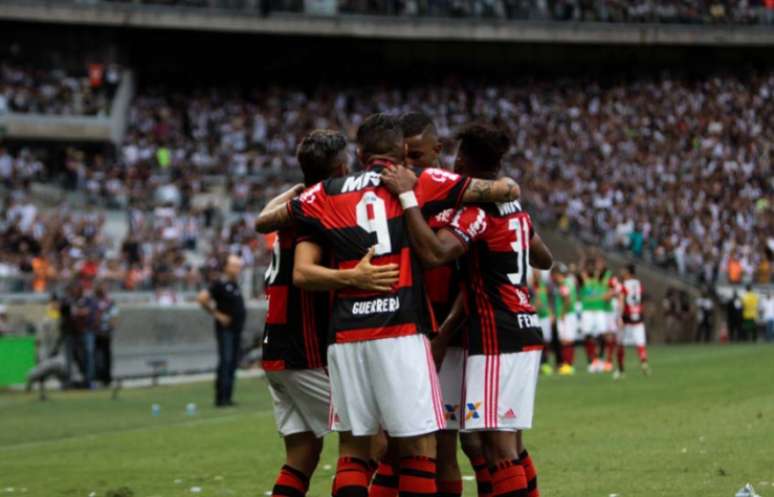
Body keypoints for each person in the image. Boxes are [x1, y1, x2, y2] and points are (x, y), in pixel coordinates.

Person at [256, 113, 521, 497]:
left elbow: (265, 222)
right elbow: (505, 191)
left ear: (359, 152)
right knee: (420, 448)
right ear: (401, 152)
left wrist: (298, 191)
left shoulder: (328, 191)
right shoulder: (421, 181)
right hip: (399, 329)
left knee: (353, 450)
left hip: (345, 337)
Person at [381, 122, 552, 497]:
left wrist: (410, 203)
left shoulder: (473, 212)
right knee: (492, 443)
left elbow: (437, 253)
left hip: (491, 331)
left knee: (493, 447)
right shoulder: (514, 208)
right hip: (518, 326)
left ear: (458, 157)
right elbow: (545, 257)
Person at [259, 130, 399, 497]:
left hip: (275, 349)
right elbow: (303, 274)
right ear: (340, 167)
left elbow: (262, 219)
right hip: (303, 349)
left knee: (302, 454)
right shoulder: (322, 209)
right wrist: (353, 276)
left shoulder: (294, 206)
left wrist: (295, 188)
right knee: (374, 443)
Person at [197, 254, 247, 407]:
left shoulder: (235, 284)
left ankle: (228, 396)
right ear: (226, 267)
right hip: (226, 330)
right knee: (225, 361)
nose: (237, 269)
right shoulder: (219, 284)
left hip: (236, 329)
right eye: (234, 265)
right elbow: (202, 298)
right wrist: (218, 315)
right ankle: (221, 398)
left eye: (239, 266)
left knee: (232, 362)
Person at [614, 264, 650, 378]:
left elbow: (622, 300)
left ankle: (621, 370)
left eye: (623, 270)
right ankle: (644, 363)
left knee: (620, 343)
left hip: (627, 316)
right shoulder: (638, 283)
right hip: (638, 315)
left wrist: (619, 317)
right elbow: (641, 297)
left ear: (628, 272)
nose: (621, 272)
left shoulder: (623, 285)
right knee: (640, 343)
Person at [95, 283, 118, 386]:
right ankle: (98, 376)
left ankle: (107, 378)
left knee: (106, 355)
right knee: (97, 356)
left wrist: (110, 328)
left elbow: (114, 317)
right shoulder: (94, 301)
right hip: (95, 332)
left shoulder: (110, 302)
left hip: (106, 332)